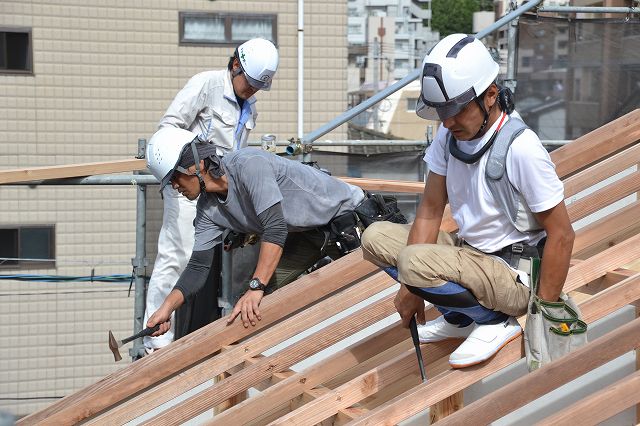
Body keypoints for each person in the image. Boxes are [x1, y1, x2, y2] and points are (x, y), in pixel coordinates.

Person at [361, 34, 574, 368]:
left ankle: (493, 321)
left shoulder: (521, 148)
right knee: (374, 238)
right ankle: (460, 318)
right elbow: (431, 210)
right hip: (470, 254)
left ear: (490, 95)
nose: (447, 121)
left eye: (456, 110)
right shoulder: (449, 136)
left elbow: (562, 234)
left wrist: (542, 314)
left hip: (513, 274)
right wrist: (411, 288)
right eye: (442, 111)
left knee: (414, 262)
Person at [144, 127, 366, 332]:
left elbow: (275, 228)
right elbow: (198, 266)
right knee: (249, 308)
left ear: (196, 165)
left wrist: (256, 285)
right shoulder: (207, 209)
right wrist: (166, 309)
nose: (174, 186)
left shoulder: (249, 164)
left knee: (365, 294)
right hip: (308, 234)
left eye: (174, 177)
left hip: (347, 221)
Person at [143, 38, 279, 353]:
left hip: (218, 189)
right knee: (176, 256)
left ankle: (190, 335)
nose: (253, 90)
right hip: (188, 182)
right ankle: (156, 341)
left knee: (205, 258)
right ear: (235, 65)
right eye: (251, 83)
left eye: (259, 86)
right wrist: (192, 162)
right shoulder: (205, 85)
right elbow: (168, 128)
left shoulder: (249, 104)